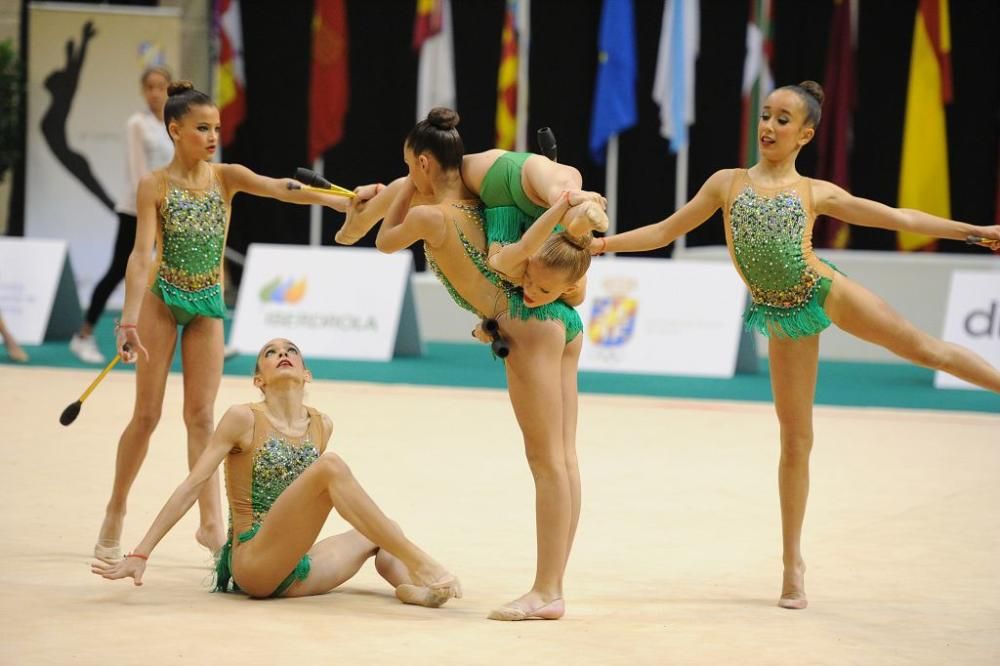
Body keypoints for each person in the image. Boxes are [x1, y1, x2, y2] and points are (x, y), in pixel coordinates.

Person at [592, 80, 1000, 610]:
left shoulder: (814, 192)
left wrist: (974, 229)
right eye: (765, 115)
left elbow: (898, 218)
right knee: (795, 440)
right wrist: (604, 245)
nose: (769, 126)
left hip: (824, 291)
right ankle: (792, 564)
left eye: (784, 120)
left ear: (805, 134)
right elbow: (664, 232)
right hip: (781, 316)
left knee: (927, 350)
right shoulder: (726, 184)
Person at [338, 108, 604, 621]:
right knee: (563, 458)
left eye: (409, 168)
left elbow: (381, 240)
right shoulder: (480, 199)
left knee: (546, 463)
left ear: (420, 162)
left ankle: (547, 591)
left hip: (525, 323)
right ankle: (553, 585)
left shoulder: (427, 216)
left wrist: (391, 197)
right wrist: (394, 190)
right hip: (556, 321)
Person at [93, 81, 352, 565]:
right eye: (201, 128)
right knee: (146, 416)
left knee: (201, 418)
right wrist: (128, 320)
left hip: (207, 303)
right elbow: (139, 254)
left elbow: (282, 189)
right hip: (162, 301)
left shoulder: (225, 177)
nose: (213, 136)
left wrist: (337, 202)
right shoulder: (155, 184)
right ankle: (116, 507)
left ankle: (210, 525)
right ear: (175, 130)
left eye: (216, 128)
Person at [92, 338, 461, 606]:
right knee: (330, 467)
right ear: (259, 380)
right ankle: (424, 564)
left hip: (297, 568)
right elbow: (194, 483)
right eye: (271, 353)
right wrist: (141, 553)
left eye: (291, 351)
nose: (282, 354)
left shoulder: (322, 425)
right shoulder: (243, 418)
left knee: (383, 531)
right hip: (255, 564)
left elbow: (306, 509)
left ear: (306, 374)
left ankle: (418, 590)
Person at [71, 66, 175, 364]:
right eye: (150, 87)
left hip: (168, 209)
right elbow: (136, 171)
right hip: (137, 209)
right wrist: (150, 204)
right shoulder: (137, 124)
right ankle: (84, 335)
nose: (155, 92)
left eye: (160, 86)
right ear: (143, 90)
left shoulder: (173, 124)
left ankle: (193, 338)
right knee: (120, 270)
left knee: (169, 274)